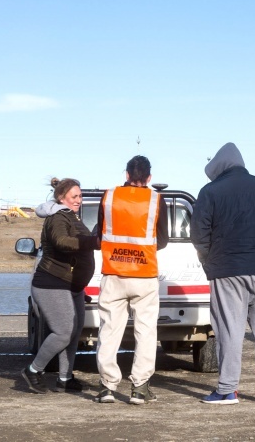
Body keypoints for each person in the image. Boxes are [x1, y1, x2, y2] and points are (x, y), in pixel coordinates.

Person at [191, 142, 255, 405]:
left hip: (226, 272)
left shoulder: (210, 191)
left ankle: (227, 390)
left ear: (219, 167)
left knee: (229, 331)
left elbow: (199, 234)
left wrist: (210, 262)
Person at [94, 155, 168, 404]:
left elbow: (99, 234)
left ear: (126, 175)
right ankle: (140, 387)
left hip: (113, 273)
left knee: (110, 330)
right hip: (144, 275)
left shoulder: (109, 197)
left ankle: (107, 387)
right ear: (149, 177)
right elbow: (163, 240)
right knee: (146, 331)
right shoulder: (157, 199)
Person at [20, 177, 98, 394]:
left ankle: (65, 377)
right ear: (61, 197)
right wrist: (93, 241)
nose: (79, 200)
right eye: (75, 196)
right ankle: (33, 370)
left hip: (72, 286)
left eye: (80, 196)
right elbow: (61, 242)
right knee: (63, 332)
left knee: (74, 332)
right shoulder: (58, 216)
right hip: (51, 283)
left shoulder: (71, 216)